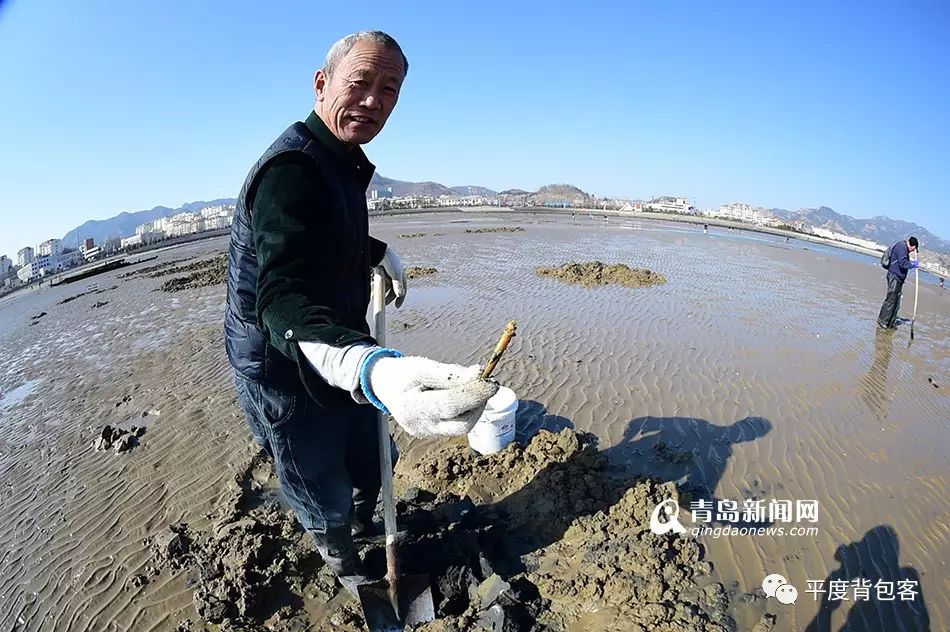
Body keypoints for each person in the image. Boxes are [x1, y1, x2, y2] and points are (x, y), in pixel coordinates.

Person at [224, 31, 498, 595]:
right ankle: (342, 559)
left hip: (342, 338)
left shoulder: (341, 158)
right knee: (316, 470)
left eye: (389, 90)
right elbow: (282, 295)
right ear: (322, 84)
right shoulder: (292, 171)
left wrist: (374, 252)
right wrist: (372, 369)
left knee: (371, 451)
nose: (374, 100)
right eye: (360, 83)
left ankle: (364, 518)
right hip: (283, 357)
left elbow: (325, 236)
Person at [877, 236, 919, 329]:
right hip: (894, 277)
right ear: (913, 247)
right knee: (891, 299)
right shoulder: (901, 247)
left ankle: (891, 322)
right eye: (914, 250)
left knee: (896, 301)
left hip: (898, 279)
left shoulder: (904, 249)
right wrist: (912, 265)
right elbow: (902, 263)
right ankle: (882, 321)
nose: (912, 251)